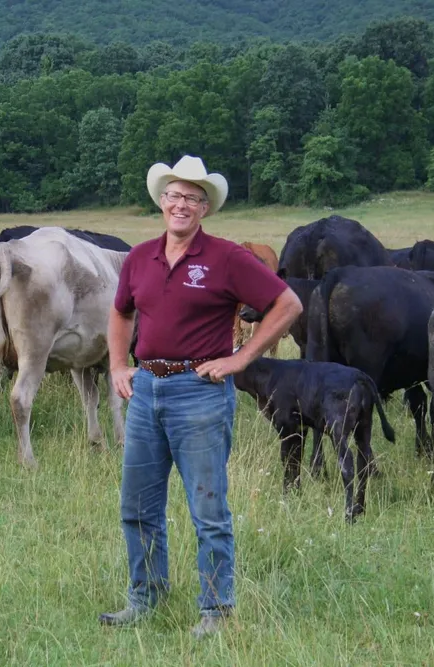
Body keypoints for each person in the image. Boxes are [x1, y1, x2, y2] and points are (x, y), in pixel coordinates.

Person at [100, 155, 303, 638]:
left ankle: (216, 609)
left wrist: (239, 358)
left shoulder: (227, 258)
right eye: (174, 195)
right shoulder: (139, 257)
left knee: (208, 509)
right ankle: (144, 599)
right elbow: (120, 314)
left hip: (200, 391)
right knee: (138, 506)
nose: (181, 204)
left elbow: (287, 303)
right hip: (147, 389)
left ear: (205, 208)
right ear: (161, 201)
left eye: (192, 198)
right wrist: (117, 365)